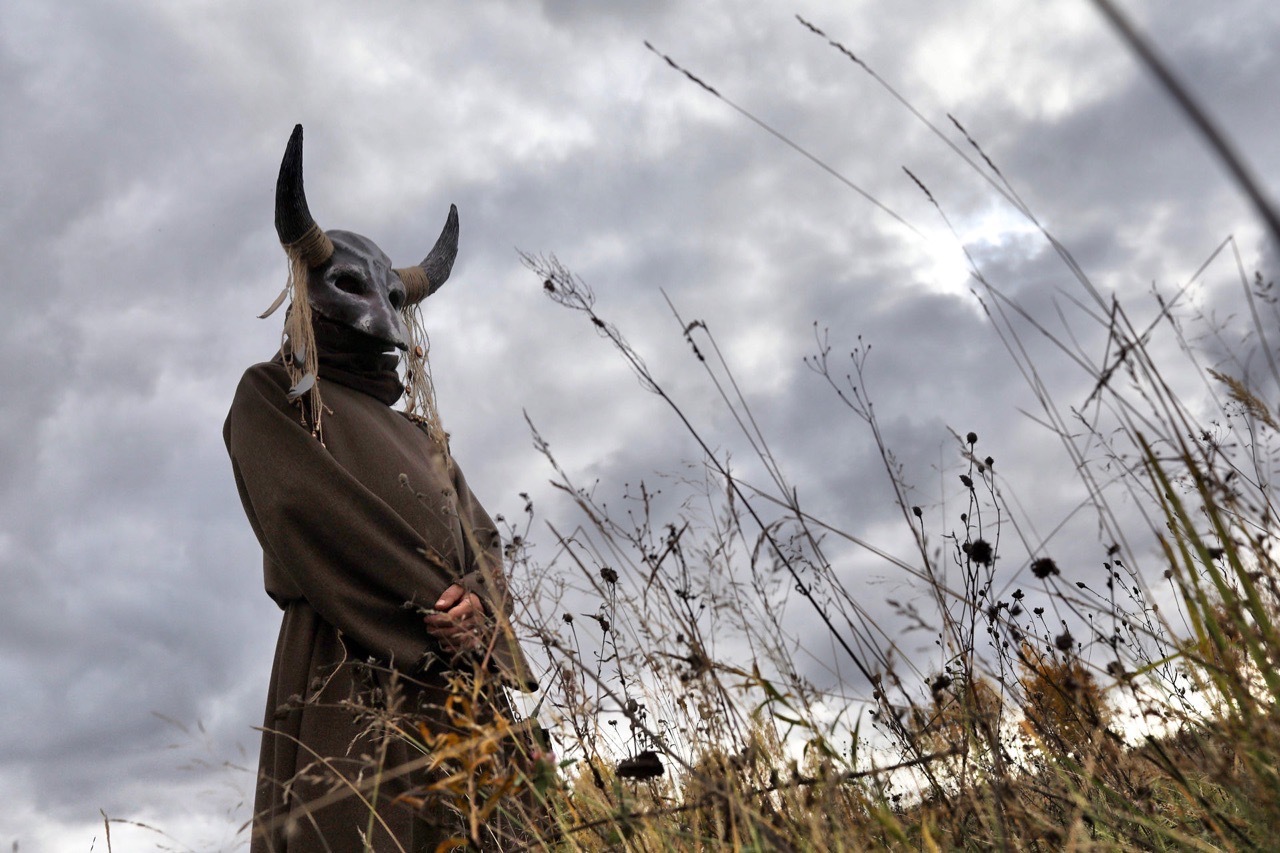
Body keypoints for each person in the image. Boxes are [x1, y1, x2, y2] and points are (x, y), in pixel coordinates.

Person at [225, 125, 536, 852]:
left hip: (462, 687)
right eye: (351, 289)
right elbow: (308, 511)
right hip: (342, 669)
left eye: (391, 297)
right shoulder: (272, 396)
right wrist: (434, 605)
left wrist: (480, 607)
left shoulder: (422, 434)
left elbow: (482, 537)